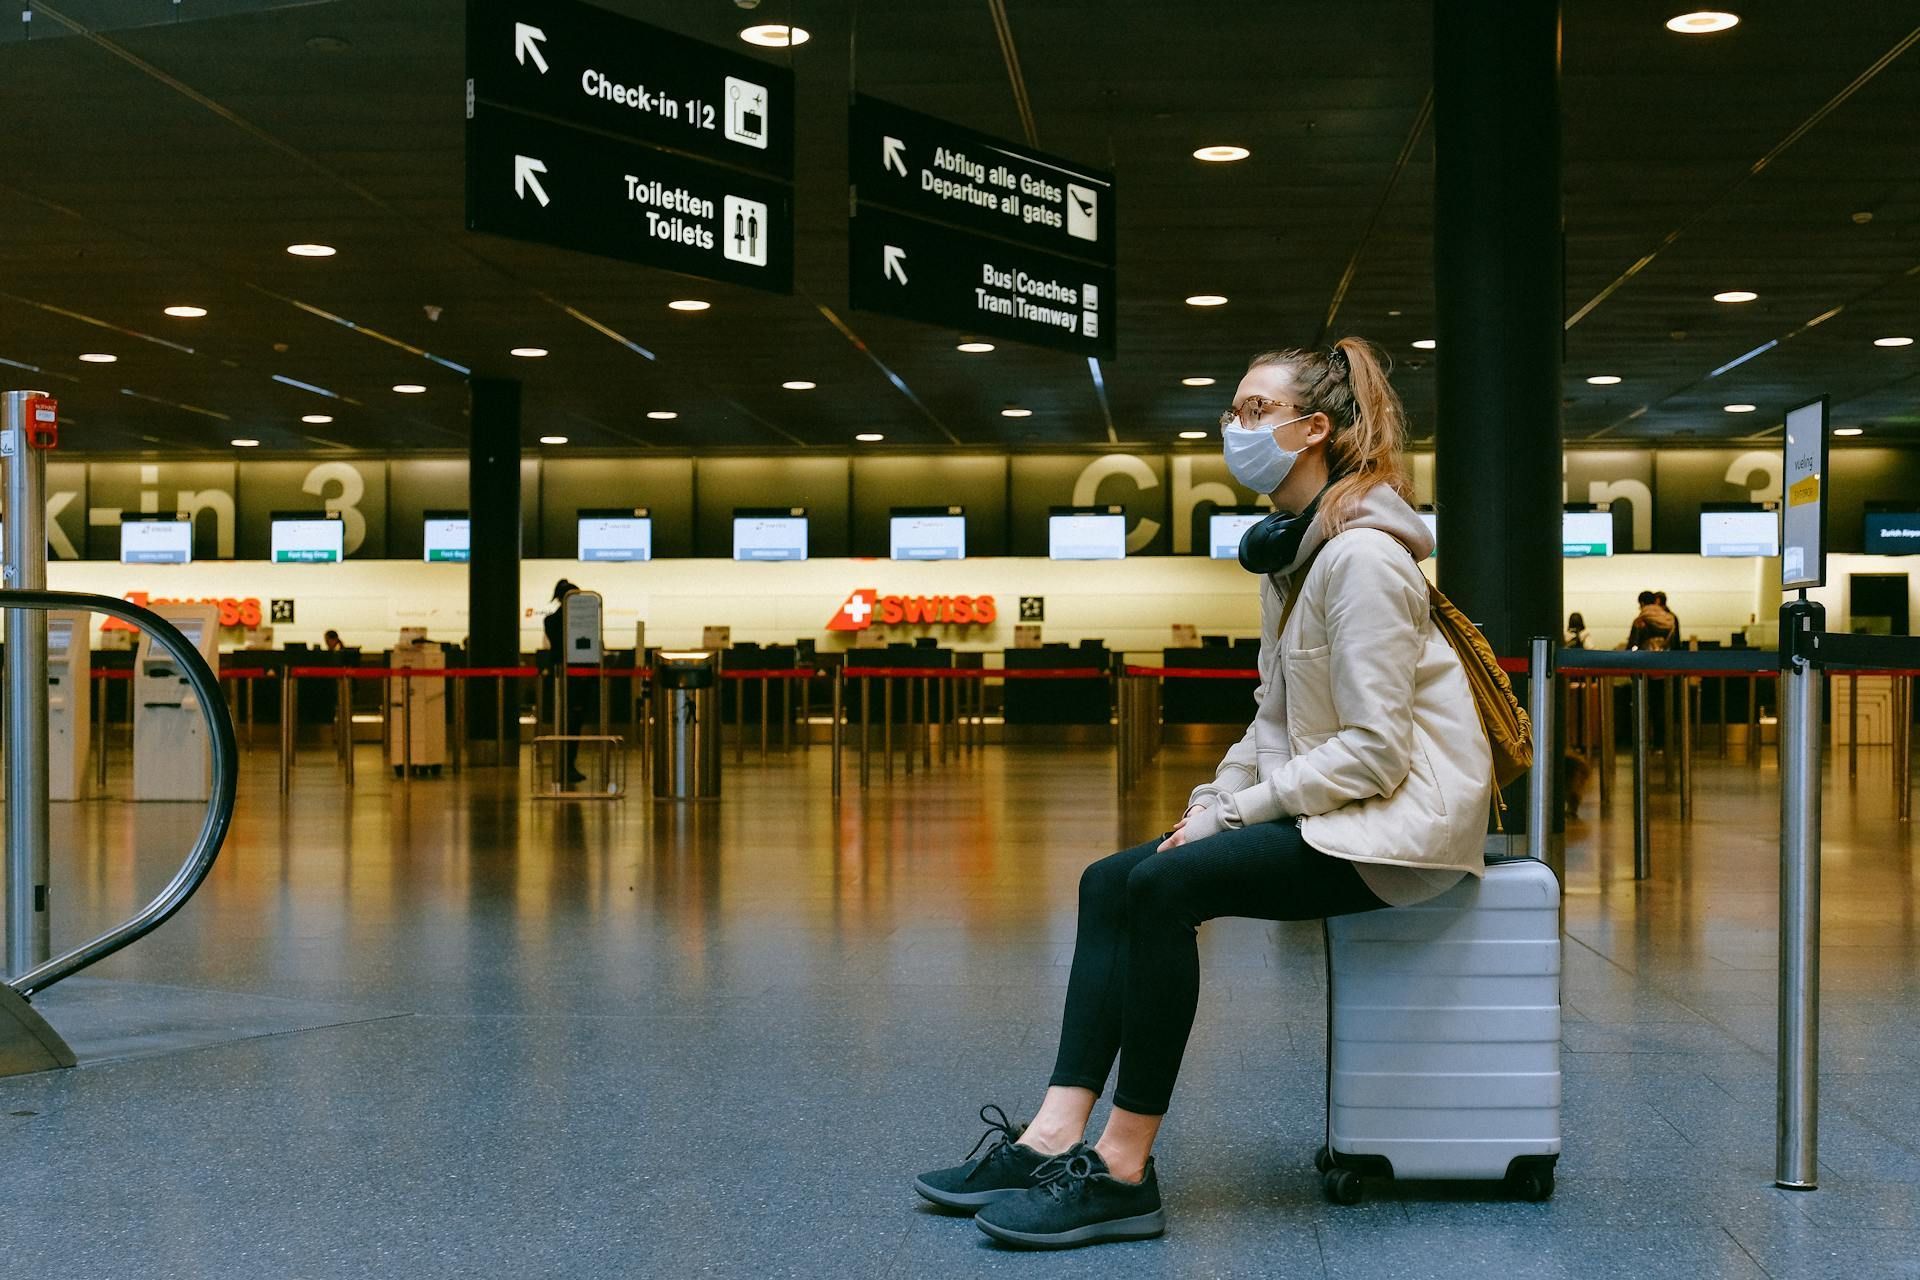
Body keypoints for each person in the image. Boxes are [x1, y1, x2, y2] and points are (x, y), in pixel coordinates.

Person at [912, 338, 1493, 1249]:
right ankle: (1050, 1134)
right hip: (1337, 810)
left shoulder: (1364, 561)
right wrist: (1209, 804)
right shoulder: (1298, 559)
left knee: (1164, 887)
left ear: (1315, 431)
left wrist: (1242, 814)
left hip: (1396, 833)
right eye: (1234, 408)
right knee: (1113, 878)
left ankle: (1121, 1169)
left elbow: (1377, 754)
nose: (1234, 426)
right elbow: (1274, 718)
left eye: (1255, 410)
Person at [543, 579, 593, 783]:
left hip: (564, 677)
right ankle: (566, 765)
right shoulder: (569, 621)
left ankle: (567, 765)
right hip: (573, 678)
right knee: (572, 722)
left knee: (568, 722)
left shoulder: (551, 621)